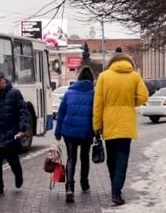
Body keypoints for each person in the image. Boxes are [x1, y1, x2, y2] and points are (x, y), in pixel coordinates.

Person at [93, 52, 148, 205]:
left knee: (111, 159)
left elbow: (98, 105)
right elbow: (144, 96)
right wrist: (130, 102)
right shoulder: (135, 76)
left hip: (109, 123)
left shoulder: (103, 77)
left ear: (111, 62)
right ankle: (116, 191)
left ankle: (115, 188)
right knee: (122, 158)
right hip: (126, 124)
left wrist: (97, 126)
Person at [0, 70, 28, 198]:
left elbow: (22, 112)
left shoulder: (15, 93)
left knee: (13, 162)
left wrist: (22, 128)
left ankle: (18, 175)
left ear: (4, 80)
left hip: (11, 135)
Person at [54, 66, 95, 203]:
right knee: (85, 157)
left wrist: (58, 132)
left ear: (79, 78)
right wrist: (98, 131)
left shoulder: (69, 93)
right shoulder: (94, 93)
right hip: (86, 131)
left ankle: (70, 188)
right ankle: (84, 184)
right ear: (91, 79)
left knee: (71, 158)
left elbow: (61, 113)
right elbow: (96, 114)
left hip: (69, 132)